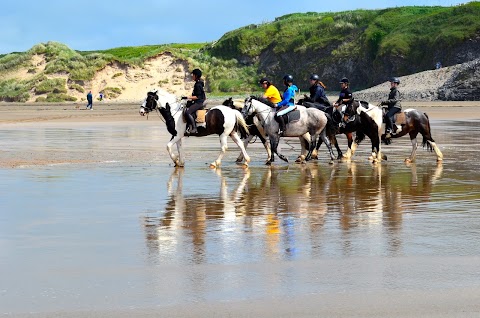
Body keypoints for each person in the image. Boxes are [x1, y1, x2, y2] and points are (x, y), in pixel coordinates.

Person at [185, 68, 206, 133]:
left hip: (198, 103)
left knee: (187, 112)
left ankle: (194, 128)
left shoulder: (197, 85)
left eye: (193, 75)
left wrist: (187, 97)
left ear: (196, 76)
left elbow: (197, 97)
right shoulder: (199, 83)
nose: (192, 76)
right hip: (198, 102)